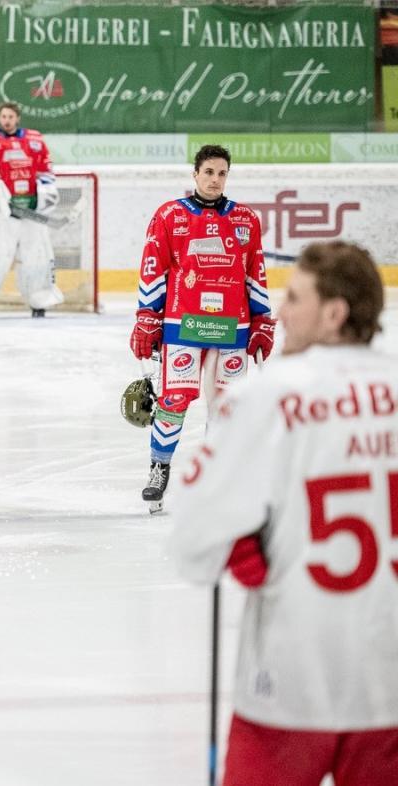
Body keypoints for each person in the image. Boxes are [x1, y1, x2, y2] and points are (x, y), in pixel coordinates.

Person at [170, 241, 397, 786]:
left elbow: (193, 545)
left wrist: (236, 537)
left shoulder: (266, 394)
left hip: (290, 684)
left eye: (294, 298)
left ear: (334, 314)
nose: (278, 312)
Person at [130, 144, 274, 513]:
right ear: (195, 174)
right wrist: (148, 317)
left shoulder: (245, 219)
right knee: (173, 401)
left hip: (233, 329)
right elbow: (153, 268)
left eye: (222, 173)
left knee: (226, 407)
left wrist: (262, 321)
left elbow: (255, 272)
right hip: (182, 324)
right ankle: (159, 470)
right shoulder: (169, 215)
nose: (215, 179)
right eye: (208, 172)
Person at [0, 101, 61, 318]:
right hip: (4, 212)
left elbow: (46, 171)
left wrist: (43, 197)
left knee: (37, 255)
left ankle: (39, 301)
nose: (7, 120)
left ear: (18, 118)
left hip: (31, 210)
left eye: (11, 117)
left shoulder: (35, 140)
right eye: (3, 117)